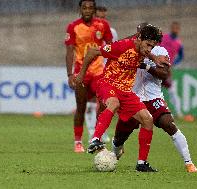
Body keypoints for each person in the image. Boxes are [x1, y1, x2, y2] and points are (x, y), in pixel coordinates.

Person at [76, 24, 167, 172]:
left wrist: (154, 58)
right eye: (148, 45)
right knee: (114, 103)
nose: (150, 49)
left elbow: (145, 50)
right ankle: (95, 139)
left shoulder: (144, 48)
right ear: (139, 39)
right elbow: (92, 52)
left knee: (148, 119)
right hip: (108, 84)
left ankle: (142, 163)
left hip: (126, 91)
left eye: (153, 46)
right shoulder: (121, 47)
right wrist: (81, 74)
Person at [111, 45, 197, 173]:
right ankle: (114, 154)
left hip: (154, 98)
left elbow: (164, 74)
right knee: (119, 137)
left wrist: (146, 66)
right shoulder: (130, 49)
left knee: (169, 124)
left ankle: (189, 163)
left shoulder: (160, 51)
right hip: (133, 98)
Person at [64, 0, 113, 153]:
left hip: (99, 73)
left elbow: (112, 47)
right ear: (80, 9)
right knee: (81, 107)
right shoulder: (73, 27)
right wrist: (70, 74)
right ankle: (78, 141)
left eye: (90, 8)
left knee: (104, 105)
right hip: (81, 74)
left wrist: (112, 70)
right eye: (84, 8)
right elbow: (70, 51)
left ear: (94, 10)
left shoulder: (103, 25)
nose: (87, 10)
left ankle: (96, 137)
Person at [84, 5, 119, 143]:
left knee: (105, 103)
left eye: (104, 17)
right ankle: (91, 132)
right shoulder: (86, 30)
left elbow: (115, 50)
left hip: (107, 71)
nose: (101, 20)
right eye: (99, 17)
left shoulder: (112, 32)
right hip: (91, 70)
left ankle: (100, 130)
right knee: (90, 102)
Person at [160, 21, 185, 119]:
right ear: (171, 28)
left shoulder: (179, 43)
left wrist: (173, 63)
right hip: (156, 67)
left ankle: (179, 112)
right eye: (173, 27)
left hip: (167, 70)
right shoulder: (164, 37)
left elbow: (181, 56)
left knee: (172, 90)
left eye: (177, 28)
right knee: (153, 90)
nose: (175, 29)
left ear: (178, 30)